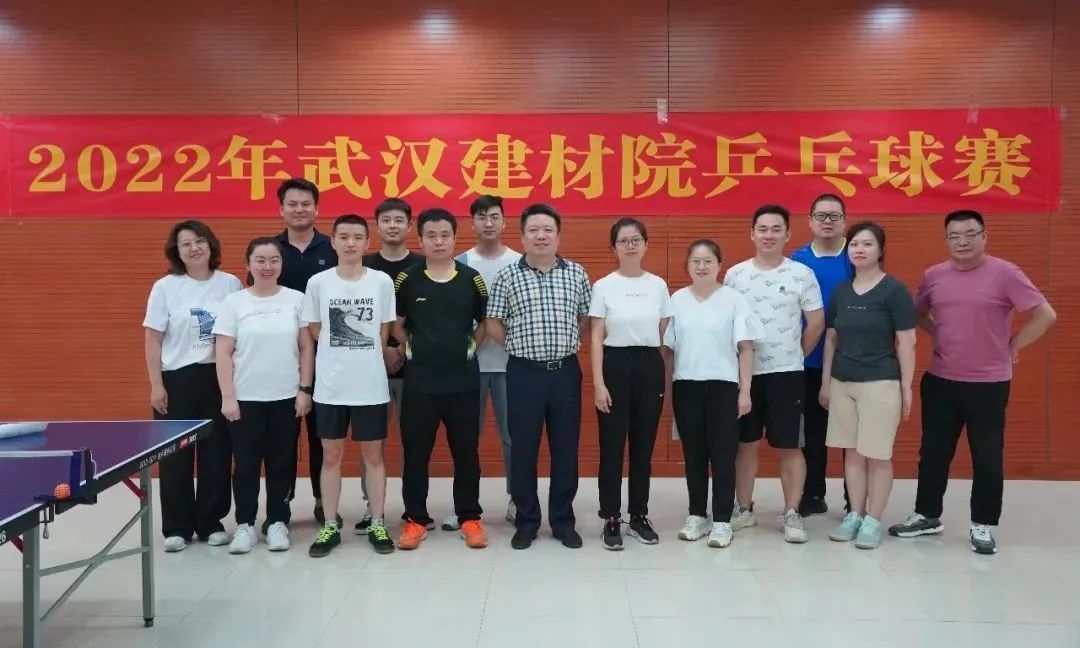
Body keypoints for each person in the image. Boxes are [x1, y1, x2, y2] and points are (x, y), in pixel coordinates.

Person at [888, 210, 1056, 554]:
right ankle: (927, 514)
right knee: (933, 453)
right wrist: (940, 333)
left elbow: (1045, 314)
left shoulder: (1005, 273)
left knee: (987, 457)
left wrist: (1014, 344)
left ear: (984, 237)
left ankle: (983, 524)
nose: (962, 242)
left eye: (970, 234)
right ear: (946, 239)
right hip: (941, 379)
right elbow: (916, 312)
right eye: (954, 236)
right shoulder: (934, 275)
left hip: (988, 384)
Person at [487, 203, 591, 550]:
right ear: (523, 236)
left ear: (558, 236)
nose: (541, 236)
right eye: (534, 230)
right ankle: (527, 521)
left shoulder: (576, 273)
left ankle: (563, 521)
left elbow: (586, 317)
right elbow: (493, 322)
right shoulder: (507, 275)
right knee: (523, 449)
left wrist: (566, 341)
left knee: (565, 449)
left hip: (564, 373)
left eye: (548, 230)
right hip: (523, 374)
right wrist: (517, 345)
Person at [725, 204, 824, 544]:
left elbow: (816, 322)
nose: (769, 235)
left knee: (790, 445)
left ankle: (791, 512)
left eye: (776, 229)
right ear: (752, 234)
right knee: (745, 444)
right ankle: (743, 508)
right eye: (762, 229)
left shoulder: (801, 274)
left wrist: (796, 354)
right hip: (745, 375)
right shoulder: (735, 275)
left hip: (787, 375)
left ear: (787, 234)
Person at [393, 209, 489, 550]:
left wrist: (469, 348)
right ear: (420, 239)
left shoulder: (471, 279)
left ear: (454, 238)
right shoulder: (407, 279)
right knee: (416, 453)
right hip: (420, 383)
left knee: (466, 454)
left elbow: (485, 324)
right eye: (431, 235)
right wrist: (411, 348)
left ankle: (469, 517)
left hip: (463, 382)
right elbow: (396, 324)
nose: (438, 241)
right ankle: (415, 520)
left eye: (445, 235)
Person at [142, 220, 241, 552]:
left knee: (217, 453)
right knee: (175, 456)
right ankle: (177, 526)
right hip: (178, 379)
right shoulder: (165, 287)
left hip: (218, 378)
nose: (194, 248)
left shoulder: (230, 284)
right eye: (186, 244)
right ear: (177, 251)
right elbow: (153, 339)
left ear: (211, 245)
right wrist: (156, 385)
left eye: (199, 241)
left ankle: (211, 522)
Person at [302, 214, 397, 557]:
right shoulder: (318, 282)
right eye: (344, 236)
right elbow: (314, 328)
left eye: (358, 237)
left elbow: (384, 330)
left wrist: (362, 353)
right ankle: (330, 524)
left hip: (370, 386)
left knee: (373, 455)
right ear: (333, 242)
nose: (351, 243)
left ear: (367, 242)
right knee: (331, 455)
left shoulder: (381, 281)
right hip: (331, 386)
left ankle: (377, 521)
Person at [214, 237, 315, 554]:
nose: (267, 266)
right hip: (245, 399)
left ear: (282, 265)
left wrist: (304, 389)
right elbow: (223, 351)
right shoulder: (234, 303)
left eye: (274, 260)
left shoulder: (296, 299)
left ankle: (277, 522)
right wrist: (228, 397)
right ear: (248, 264)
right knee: (245, 464)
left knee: (281, 463)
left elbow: (306, 348)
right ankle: (244, 524)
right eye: (260, 260)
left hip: (286, 397)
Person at [819, 222, 916, 550]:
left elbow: (907, 342)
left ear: (881, 250)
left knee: (877, 454)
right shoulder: (841, 291)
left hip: (880, 381)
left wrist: (906, 387)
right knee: (852, 454)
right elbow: (831, 339)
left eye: (867, 244)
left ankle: (874, 519)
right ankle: (855, 514)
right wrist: (826, 383)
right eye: (854, 244)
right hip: (842, 382)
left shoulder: (894, 291)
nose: (859, 249)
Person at [663, 240, 762, 549]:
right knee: (694, 455)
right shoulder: (677, 300)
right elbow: (668, 351)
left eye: (708, 261)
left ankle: (721, 520)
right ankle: (696, 515)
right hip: (686, 386)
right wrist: (669, 392)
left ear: (720, 265)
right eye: (696, 261)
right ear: (687, 266)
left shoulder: (734, 300)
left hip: (724, 387)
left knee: (723, 456)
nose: (702, 266)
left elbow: (746, 347)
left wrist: (745, 391)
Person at [590, 218, 671, 550]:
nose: (630, 246)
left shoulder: (658, 285)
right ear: (613, 247)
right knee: (611, 447)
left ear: (646, 244)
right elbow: (596, 337)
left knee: (643, 447)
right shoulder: (604, 286)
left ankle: (638, 515)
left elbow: (664, 334)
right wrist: (599, 383)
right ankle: (611, 516)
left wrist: (660, 375)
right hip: (615, 365)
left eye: (636, 239)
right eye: (623, 241)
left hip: (649, 364)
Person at [265, 178, 339, 530]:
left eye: (305, 203)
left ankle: (325, 503)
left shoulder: (333, 248)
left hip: (326, 356)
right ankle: (281, 506)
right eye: (292, 204)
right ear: (281, 209)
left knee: (322, 436)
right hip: (280, 359)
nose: (299, 209)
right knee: (282, 440)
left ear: (316, 208)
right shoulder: (270, 251)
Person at [444, 195, 522, 531]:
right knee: (465, 439)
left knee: (512, 437)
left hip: (511, 365)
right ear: (472, 223)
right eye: (481, 217)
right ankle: (464, 506)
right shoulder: (459, 263)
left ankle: (517, 498)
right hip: (469, 367)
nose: (488, 223)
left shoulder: (520, 262)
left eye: (494, 216)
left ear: (504, 221)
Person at [357, 198, 425, 534]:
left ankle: (415, 508)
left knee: (415, 440)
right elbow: (356, 317)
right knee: (371, 442)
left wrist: (404, 348)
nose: (393, 225)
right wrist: (382, 349)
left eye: (399, 220)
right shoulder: (363, 266)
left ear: (410, 226)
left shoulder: (424, 264)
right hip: (370, 367)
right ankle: (372, 508)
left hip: (417, 368)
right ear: (377, 226)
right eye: (386, 220)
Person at [789, 193, 854, 517]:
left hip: (851, 360)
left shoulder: (856, 255)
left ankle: (855, 500)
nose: (827, 221)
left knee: (852, 433)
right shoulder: (797, 260)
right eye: (821, 216)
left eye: (834, 216)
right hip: (808, 358)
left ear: (845, 220)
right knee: (812, 432)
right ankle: (813, 494)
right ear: (810, 221)